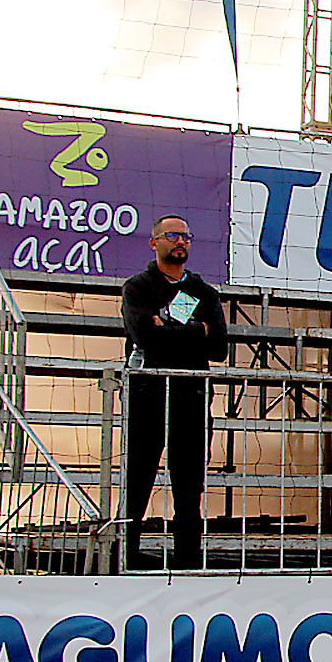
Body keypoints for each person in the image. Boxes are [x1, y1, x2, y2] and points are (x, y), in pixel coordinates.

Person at [120, 214, 228, 569]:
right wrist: (197, 330)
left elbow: (219, 348)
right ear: (154, 242)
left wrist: (167, 327)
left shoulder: (204, 292)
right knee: (137, 483)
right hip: (147, 396)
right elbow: (142, 335)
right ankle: (127, 559)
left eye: (186, 236)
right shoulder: (138, 287)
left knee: (188, 487)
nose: (180, 241)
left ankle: (186, 563)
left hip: (191, 399)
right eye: (171, 235)